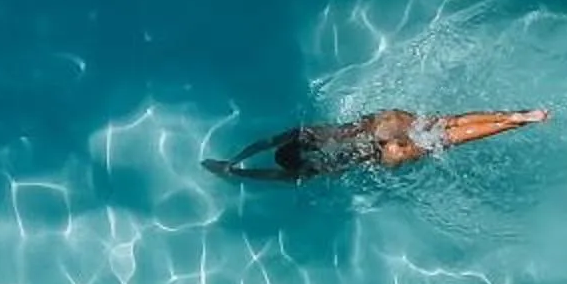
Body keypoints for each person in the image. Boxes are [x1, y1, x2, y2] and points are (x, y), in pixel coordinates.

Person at [208, 107, 547, 183]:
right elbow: (265, 142)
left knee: (450, 139)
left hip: (384, 153)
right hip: (380, 125)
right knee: (448, 122)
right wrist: (236, 156)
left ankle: (514, 124)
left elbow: (266, 175)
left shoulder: (306, 170)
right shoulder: (306, 133)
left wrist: (233, 171)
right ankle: (514, 113)